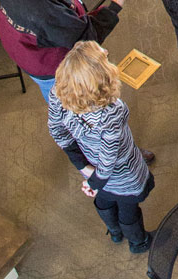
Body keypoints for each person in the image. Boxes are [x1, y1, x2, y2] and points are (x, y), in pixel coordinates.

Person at [48, 42, 154, 254]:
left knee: (104, 198)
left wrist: (86, 169)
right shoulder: (111, 112)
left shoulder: (58, 94)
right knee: (127, 207)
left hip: (90, 163)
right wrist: (95, 181)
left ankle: (114, 232)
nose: (106, 51)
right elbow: (109, 158)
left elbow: (56, 130)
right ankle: (138, 242)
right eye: (102, 56)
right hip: (123, 171)